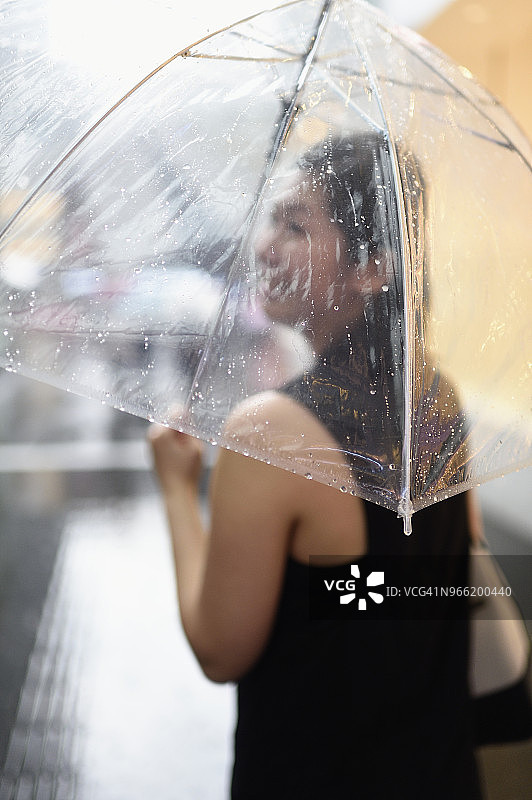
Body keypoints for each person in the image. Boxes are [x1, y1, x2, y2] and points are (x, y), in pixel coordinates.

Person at [148, 132, 483, 799]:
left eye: (296, 226)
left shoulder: (272, 434)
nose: (266, 245)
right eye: (273, 219)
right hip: (438, 772)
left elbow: (221, 648)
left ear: (372, 268)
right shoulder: (436, 395)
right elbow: (442, 575)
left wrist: (178, 492)